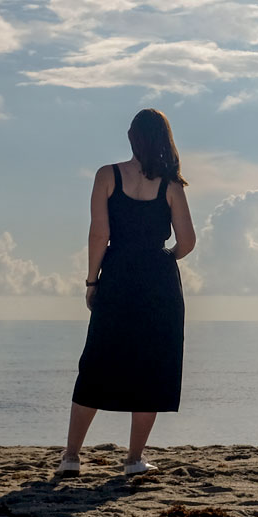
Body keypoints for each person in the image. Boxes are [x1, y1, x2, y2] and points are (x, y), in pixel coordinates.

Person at [57, 109, 195, 479]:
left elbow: (98, 235)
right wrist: (164, 256)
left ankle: (71, 456)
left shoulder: (108, 175)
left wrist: (92, 281)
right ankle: (134, 459)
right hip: (159, 284)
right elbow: (187, 242)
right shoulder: (171, 184)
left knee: (97, 363)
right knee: (151, 369)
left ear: (133, 137)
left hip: (117, 276)